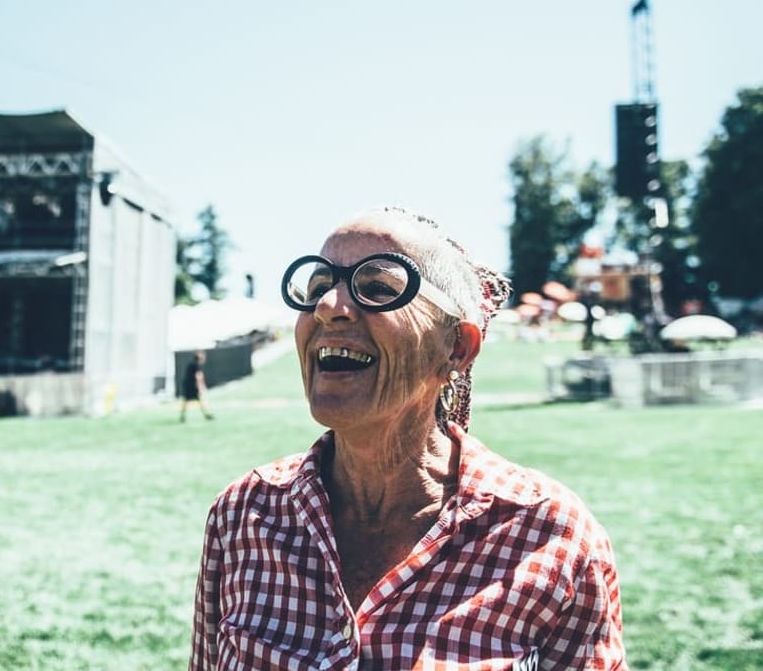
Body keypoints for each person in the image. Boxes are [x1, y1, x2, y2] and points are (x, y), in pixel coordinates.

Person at [189, 207, 626, 669]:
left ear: (456, 348)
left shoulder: (549, 535)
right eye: (318, 288)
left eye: (376, 288)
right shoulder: (242, 517)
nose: (328, 307)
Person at [180, 350, 214, 422]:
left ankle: (183, 416)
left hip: (188, 385)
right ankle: (206, 415)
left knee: (188, 400)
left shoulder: (192, 364)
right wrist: (202, 386)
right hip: (191, 385)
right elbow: (199, 377)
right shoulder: (196, 365)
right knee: (196, 400)